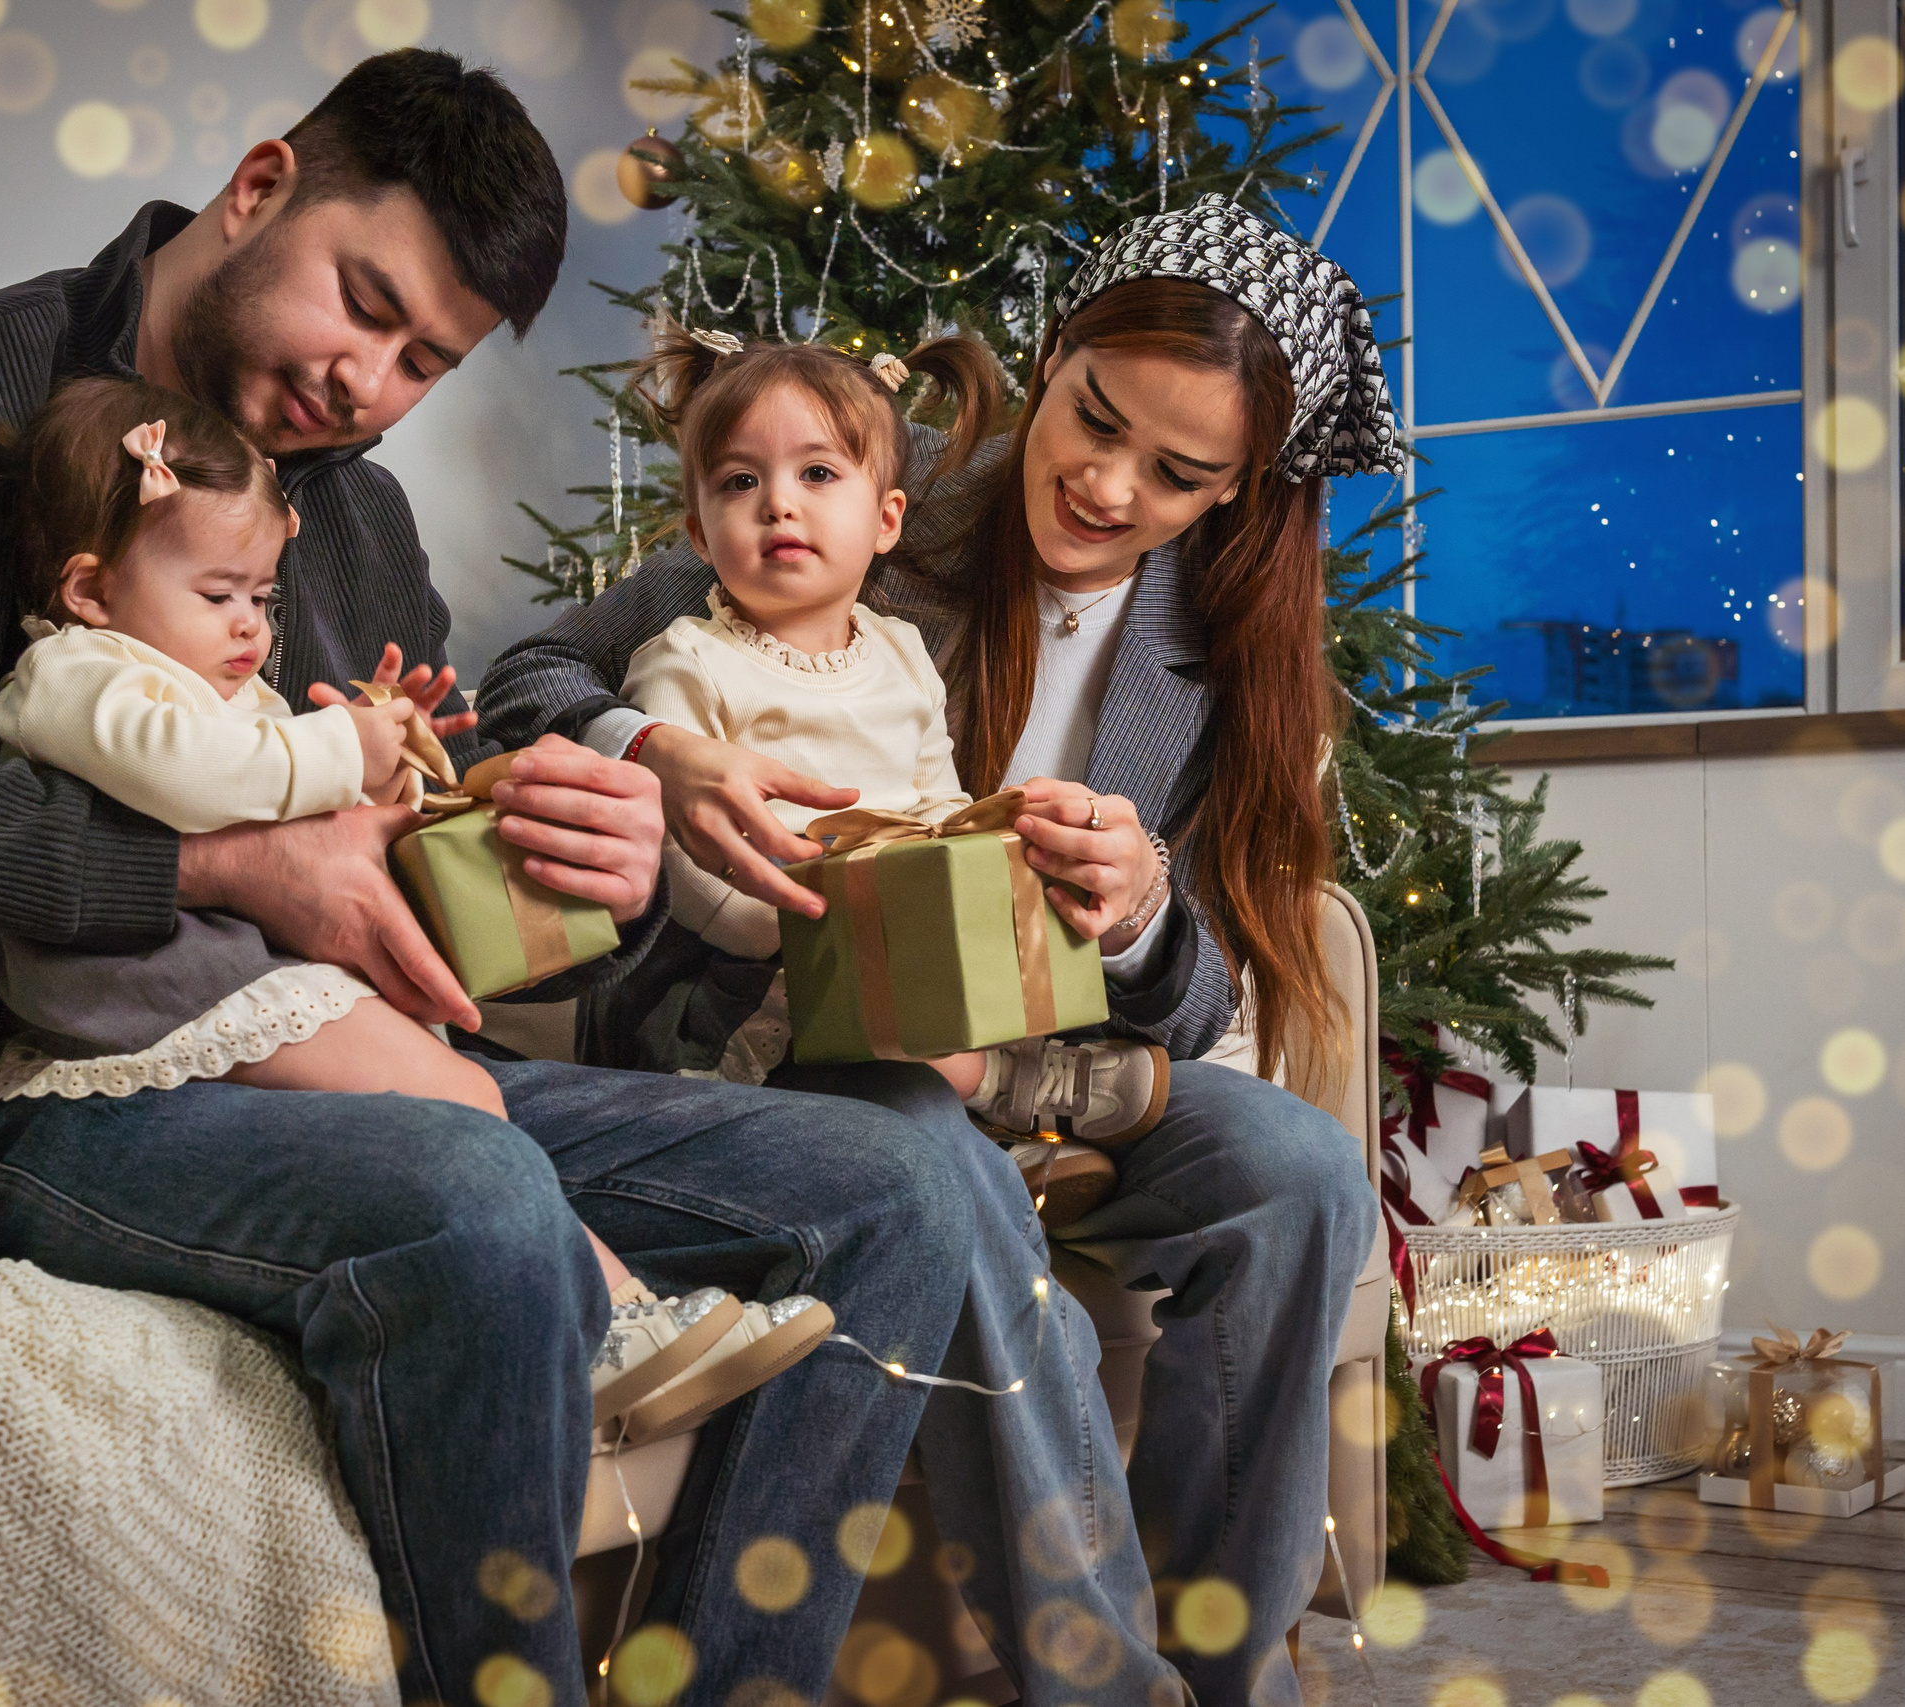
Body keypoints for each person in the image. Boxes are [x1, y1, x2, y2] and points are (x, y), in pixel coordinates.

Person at [0, 49, 978, 1707]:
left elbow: (415, 913)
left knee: (905, 1187)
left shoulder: (350, 530)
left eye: (421, 361)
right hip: (5, 1097)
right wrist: (219, 857)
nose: (363, 382)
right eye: (360, 306)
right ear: (264, 184)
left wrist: (580, 862)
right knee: (477, 1194)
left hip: (332, 1065)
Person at [479, 195, 1396, 1707]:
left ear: (1241, 492)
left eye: (1178, 475)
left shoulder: (1223, 654)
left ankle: (1232, 1674)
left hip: (1055, 1061)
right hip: (803, 1046)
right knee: (923, 1141)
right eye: (1090, 418)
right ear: (1053, 357)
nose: (1104, 483)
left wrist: (1147, 899)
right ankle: (1095, 1681)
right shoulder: (866, 505)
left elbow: (1214, 980)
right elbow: (530, 672)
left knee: (1299, 1172)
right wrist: (655, 749)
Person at [0, 372, 835, 1439]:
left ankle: (632, 1323)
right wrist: (335, 750)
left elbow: (287, 810)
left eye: (263, 599)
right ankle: (617, 1327)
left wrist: (389, 764)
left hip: (222, 977)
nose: (249, 628)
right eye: (218, 596)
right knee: (460, 1111)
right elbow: (194, 775)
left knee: (462, 1099)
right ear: (92, 589)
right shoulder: (77, 673)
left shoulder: (190, 677)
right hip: (146, 992)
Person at [593, 322, 1165, 1220]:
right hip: (761, 974)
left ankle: (1003, 1132)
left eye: (817, 475)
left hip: (900, 944)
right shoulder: (687, 663)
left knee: (952, 969)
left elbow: (938, 795)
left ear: (887, 518)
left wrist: (984, 848)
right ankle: (1002, 1091)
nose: (780, 504)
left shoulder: (899, 650)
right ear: (701, 535)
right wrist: (832, 920)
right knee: (895, 1017)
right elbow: (689, 867)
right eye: (741, 483)